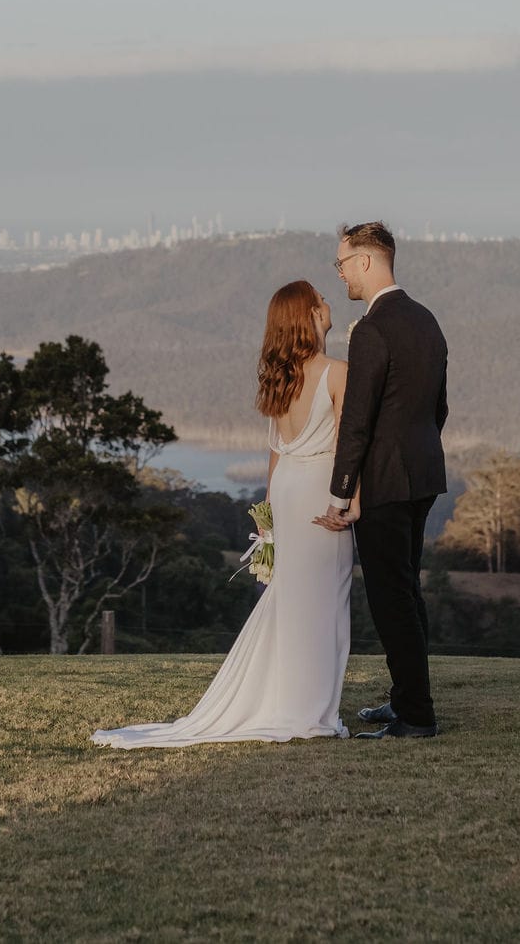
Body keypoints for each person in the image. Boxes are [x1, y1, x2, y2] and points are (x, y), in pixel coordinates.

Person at [92, 279, 355, 747]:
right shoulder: (338, 373)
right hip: (319, 493)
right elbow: (347, 450)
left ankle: (295, 700)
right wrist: (348, 501)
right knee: (324, 601)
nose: (329, 303)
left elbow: (275, 452)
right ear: (311, 315)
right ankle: (310, 710)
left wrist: (267, 515)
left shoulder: (285, 377)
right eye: (321, 300)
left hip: (287, 492)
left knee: (293, 600)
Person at [317, 220, 449, 738]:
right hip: (422, 474)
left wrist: (341, 492)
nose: (341, 273)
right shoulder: (427, 320)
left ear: (367, 261)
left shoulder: (372, 329)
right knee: (406, 590)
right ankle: (405, 700)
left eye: (342, 263)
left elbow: (358, 420)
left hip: (387, 481)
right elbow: (438, 408)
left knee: (391, 596)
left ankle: (416, 715)